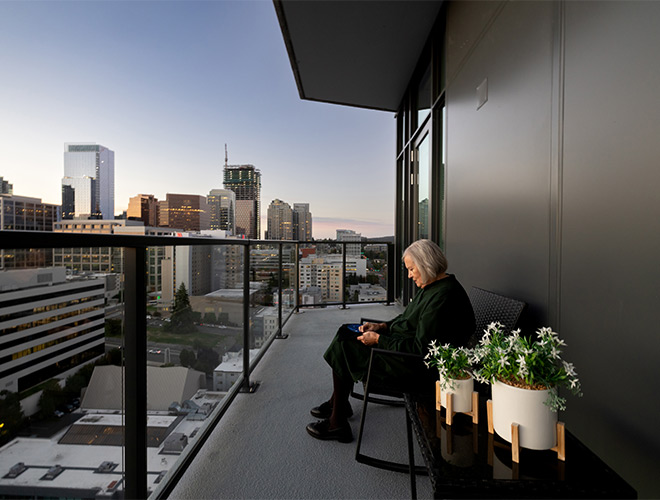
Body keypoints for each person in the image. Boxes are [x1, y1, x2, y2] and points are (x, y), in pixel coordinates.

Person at [306, 239, 475, 443]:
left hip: (414, 368)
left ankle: (337, 422)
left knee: (345, 345)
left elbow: (420, 350)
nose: (410, 275)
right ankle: (338, 404)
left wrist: (378, 340)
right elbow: (406, 319)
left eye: (412, 269)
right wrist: (381, 327)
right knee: (345, 332)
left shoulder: (442, 299)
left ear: (426, 265)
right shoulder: (434, 286)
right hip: (403, 349)